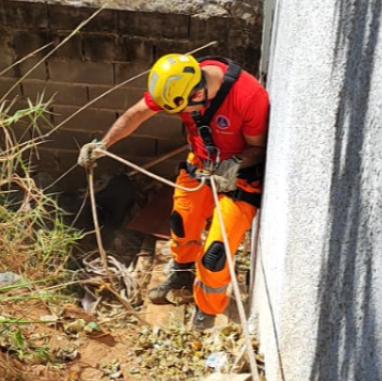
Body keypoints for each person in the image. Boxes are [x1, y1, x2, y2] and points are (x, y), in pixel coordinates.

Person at [78, 53, 269, 331]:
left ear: (199, 91)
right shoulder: (178, 86)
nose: (182, 116)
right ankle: (181, 273)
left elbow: (258, 149)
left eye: (184, 110)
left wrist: (234, 164)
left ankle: (208, 308)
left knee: (215, 254)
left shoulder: (248, 97)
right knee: (181, 224)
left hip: (239, 179)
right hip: (201, 166)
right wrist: (103, 144)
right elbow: (137, 114)